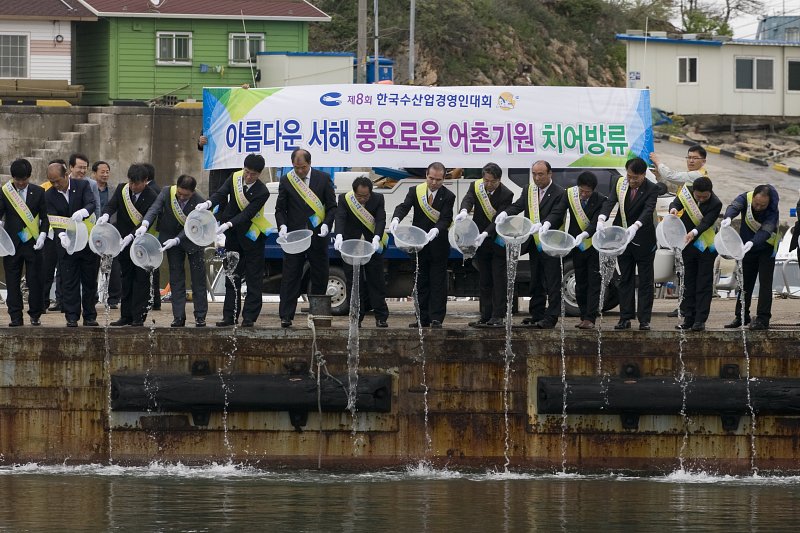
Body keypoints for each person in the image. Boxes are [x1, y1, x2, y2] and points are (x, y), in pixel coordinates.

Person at [198, 153, 270, 327]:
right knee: (231, 275)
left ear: (259, 174)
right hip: (232, 237)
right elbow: (221, 194)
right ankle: (229, 316)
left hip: (252, 237)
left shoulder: (263, 191)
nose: (248, 176)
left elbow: (247, 214)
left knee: (253, 278)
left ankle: (249, 317)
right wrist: (207, 204)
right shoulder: (235, 177)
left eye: (253, 174)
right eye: (246, 171)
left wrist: (229, 223)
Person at [495, 160, 566, 329]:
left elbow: (557, 213)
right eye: (534, 174)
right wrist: (505, 213)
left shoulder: (560, 192)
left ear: (550, 174)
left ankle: (552, 316)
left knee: (553, 281)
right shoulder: (529, 189)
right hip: (534, 243)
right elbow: (519, 205)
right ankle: (537, 313)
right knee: (536, 279)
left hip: (550, 243)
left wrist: (545, 223)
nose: (536, 177)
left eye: (540, 174)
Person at [275, 149, 337, 328]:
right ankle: (286, 316)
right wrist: (282, 226)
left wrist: (327, 224)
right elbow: (280, 209)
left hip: (318, 236)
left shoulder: (323, 178)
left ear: (309, 164)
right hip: (295, 237)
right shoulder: (287, 180)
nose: (300, 172)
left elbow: (332, 207)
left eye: (303, 168)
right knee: (290, 275)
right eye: (296, 168)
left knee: (319, 275)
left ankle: (317, 314)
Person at [389, 161, 455, 328]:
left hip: (438, 245)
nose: (434, 183)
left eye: (438, 180)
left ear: (443, 179)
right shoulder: (415, 191)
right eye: (431, 178)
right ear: (426, 175)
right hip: (419, 245)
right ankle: (421, 317)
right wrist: (396, 218)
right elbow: (403, 207)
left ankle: (436, 318)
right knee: (421, 282)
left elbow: (446, 218)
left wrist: (437, 230)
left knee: (438, 283)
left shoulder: (448, 196)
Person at [598, 157, 660, 331]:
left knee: (646, 281)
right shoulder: (620, 183)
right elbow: (610, 201)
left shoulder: (651, 188)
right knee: (625, 279)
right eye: (629, 176)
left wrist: (636, 226)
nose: (632, 181)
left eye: (636, 178)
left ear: (643, 175)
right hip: (622, 240)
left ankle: (644, 319)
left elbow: (648, 210)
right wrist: (602, 218)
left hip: (643, 240)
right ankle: (625, 317)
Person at [139, 174, 208, 328]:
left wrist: (178, 239)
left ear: (193, 192)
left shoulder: (200, 202)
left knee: (198, 280)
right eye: (180, 193)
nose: (182, 197)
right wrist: (145, 224)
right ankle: (178, 317)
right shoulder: (166, 192)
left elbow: (192, 225)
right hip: (171, 241)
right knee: (176, 278)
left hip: (193, 240)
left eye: (186, 195)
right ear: (176, 187)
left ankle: (200, 317)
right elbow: (154, 208)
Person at [651, 144, 709, 317]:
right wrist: (660, 178)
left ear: (703, 161)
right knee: (682, 271)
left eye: (695, 158)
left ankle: (689, 308)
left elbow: (672, 175)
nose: (691, 160)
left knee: (690, 273)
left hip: (694, 232)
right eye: (689, 157)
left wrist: (658, 161)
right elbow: (675, 191)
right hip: (681, 229)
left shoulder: (698, 176)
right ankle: (685, 306)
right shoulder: (690, 179)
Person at [97, 163, 158, 327]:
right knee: (127, 278)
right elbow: (111, 205)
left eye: (136, 183)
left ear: (145, 181)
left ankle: (138, 317)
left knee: (141, 281)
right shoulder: (122, 189)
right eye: (131, 182)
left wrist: (132, 235)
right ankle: (126, 316)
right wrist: (105, 215)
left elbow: (147, 220)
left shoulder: (152, 195)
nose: (132, 186)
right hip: (123, 243)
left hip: (141, 244)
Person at [456, 162, 514, 327]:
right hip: (480, 242)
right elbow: (468, 199)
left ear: (499, 180)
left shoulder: (506, 194)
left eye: (492, 182)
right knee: (484, 280)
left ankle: (498, 315)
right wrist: (464, 211)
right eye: (486, 180)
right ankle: (485, 315)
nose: (488, 184)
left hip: (497, 240)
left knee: (498, 280)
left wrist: (486, 233)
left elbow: (497, 221)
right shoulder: (476, 186)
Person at [44, 161, 98, 327]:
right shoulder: (49, 194)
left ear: (66, 175)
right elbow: (52, 217)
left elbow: (91, 203)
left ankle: (89, 316)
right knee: (69, 282)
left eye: (58, 181)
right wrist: (61, 235)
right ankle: (72, 316)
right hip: (66, 245)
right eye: (51, 182)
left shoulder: (82, 186)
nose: (55, 185)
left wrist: (83, 212)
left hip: (86, 242)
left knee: (89, 281)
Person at [721, 184, 780, 330]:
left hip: (766, 248)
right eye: (756, 204)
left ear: (768, 202)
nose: (758, 207)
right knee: (744, 283)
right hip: (746, 249)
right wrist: (728, 217)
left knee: (765, 285)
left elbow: (766, 231)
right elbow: (734, 206)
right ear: (753, 197)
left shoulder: (773, 210)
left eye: (762, 205)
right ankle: (741, 316)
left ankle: (763, 318)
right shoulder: (745, 197)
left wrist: (752, 242)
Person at [333, 175, 389, 327]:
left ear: (370, 193)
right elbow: (340, 217)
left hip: (372, 246)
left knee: (376, 282)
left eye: (366, 196)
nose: (362, 199)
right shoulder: (345, 199)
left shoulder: (378, 199)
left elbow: (381, 219)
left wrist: (377, 237)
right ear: (353, 192)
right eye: (359, 196)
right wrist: (338, 235)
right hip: (352, 246)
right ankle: (356, 317)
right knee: (353, 283)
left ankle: (381, 317)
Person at [669, 176, 722, 332]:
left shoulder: (716, 203)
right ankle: (688, 318)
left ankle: (700, 320)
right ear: (694, 192)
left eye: (704, 197)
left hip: (705, 246)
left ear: (710, 193)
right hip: (687, 245)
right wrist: (673, 209)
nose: (701, 199)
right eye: (698, 196)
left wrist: (693, 232)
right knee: (688, 282)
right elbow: (676, 203)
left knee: (703, 284)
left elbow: (706, 223)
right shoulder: (687, 193)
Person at [0, 158, 48, 326]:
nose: (20, 183)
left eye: (24, 180)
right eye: (17, 180)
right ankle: (15, 316)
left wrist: (43, 235)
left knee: (35, 280)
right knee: (12, 282)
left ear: (29, 177)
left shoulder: (39, 192)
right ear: (13, 177)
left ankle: (35, 314)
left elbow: (45, 218)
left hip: (33, 243)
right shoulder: (6, 191)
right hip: (12, 244)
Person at [558, 170, 607, 330]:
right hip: (577, 246)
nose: (584, 194)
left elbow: (594, 223)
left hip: (593, 246)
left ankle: (590, 317)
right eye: (582, 191)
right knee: (580, 282)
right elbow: (559, 211)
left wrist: (585, 233)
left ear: (593, 190)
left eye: (587, 192)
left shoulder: (600, 200)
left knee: (594, 283)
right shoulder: (570, 195)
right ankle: (583, 315)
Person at [93, 160, 120, 309]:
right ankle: (93, 296)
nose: (105, 174)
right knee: (92, 264)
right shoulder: (89, 188)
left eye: (107, 172)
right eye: (102, 172)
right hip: (93, 231)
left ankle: (113, 298)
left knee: (113, 265)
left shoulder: (114, 189)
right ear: (94, 173)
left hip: (110, 231)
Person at [197, 131, 238, 209]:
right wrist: (201, 142)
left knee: (236, 197)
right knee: (217, 198)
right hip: (218, 167)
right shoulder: (213, 120)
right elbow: (202, 142)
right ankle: (217, 219)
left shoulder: (242, 119)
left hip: (236, 164)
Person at [142, 163, 162, 310]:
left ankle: (151, 300)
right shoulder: (157, 188)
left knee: (149, 268)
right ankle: (154, 300)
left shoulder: (151, 191)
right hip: (155, 234)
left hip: (150, 234)